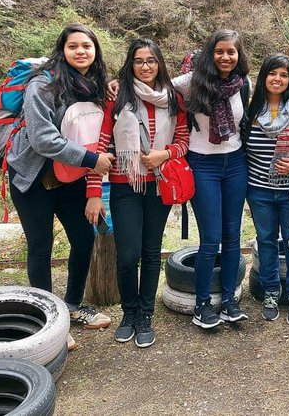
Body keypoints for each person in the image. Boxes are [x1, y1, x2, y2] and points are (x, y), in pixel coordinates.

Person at [8, 23, 115, 350]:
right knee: (41, 247)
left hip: (72, 177)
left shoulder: (93, 85)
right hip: (33, 178)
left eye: (87, 46)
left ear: (95, 51)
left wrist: (111, 88)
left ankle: (71, 305)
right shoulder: (42, 85)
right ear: (62, 50)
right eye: (73, 46)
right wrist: (92, 159)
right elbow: (43, 139)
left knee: (83, 239)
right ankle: (49, 322)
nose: (81, 51)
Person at [85, 39, 189, 348]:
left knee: (151, 252)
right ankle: (128, 313)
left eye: (151, 60)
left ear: (160, 63)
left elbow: (184, 139)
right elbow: (101, 143)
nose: (145, 66)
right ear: (131, 64)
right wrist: (93, 192)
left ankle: (145, 315)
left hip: (158, 183)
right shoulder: (117, 96)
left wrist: (165, 154)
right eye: (139, 61)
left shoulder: (173, 98)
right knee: (128, 256)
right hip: (123, 184)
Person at [177, 29, 250, 329]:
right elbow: (152, 90)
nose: (225, 57)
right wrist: (118, 85)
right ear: (211, 53)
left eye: (231, 52)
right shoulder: (190, 83)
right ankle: (202, 305)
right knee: (211, 239)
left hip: (235, 162)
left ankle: (229, 301)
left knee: (233, 237)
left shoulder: (243, 84)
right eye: (220, 51)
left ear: (238, 55)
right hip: (201, 164)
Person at [245, 54, 289, 326]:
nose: (278, 79)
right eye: (272, 73)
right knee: (265, 241)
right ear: (264, 77)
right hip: (259, 190)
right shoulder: (252, 108)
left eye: (284, 75)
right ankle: (271, 293)